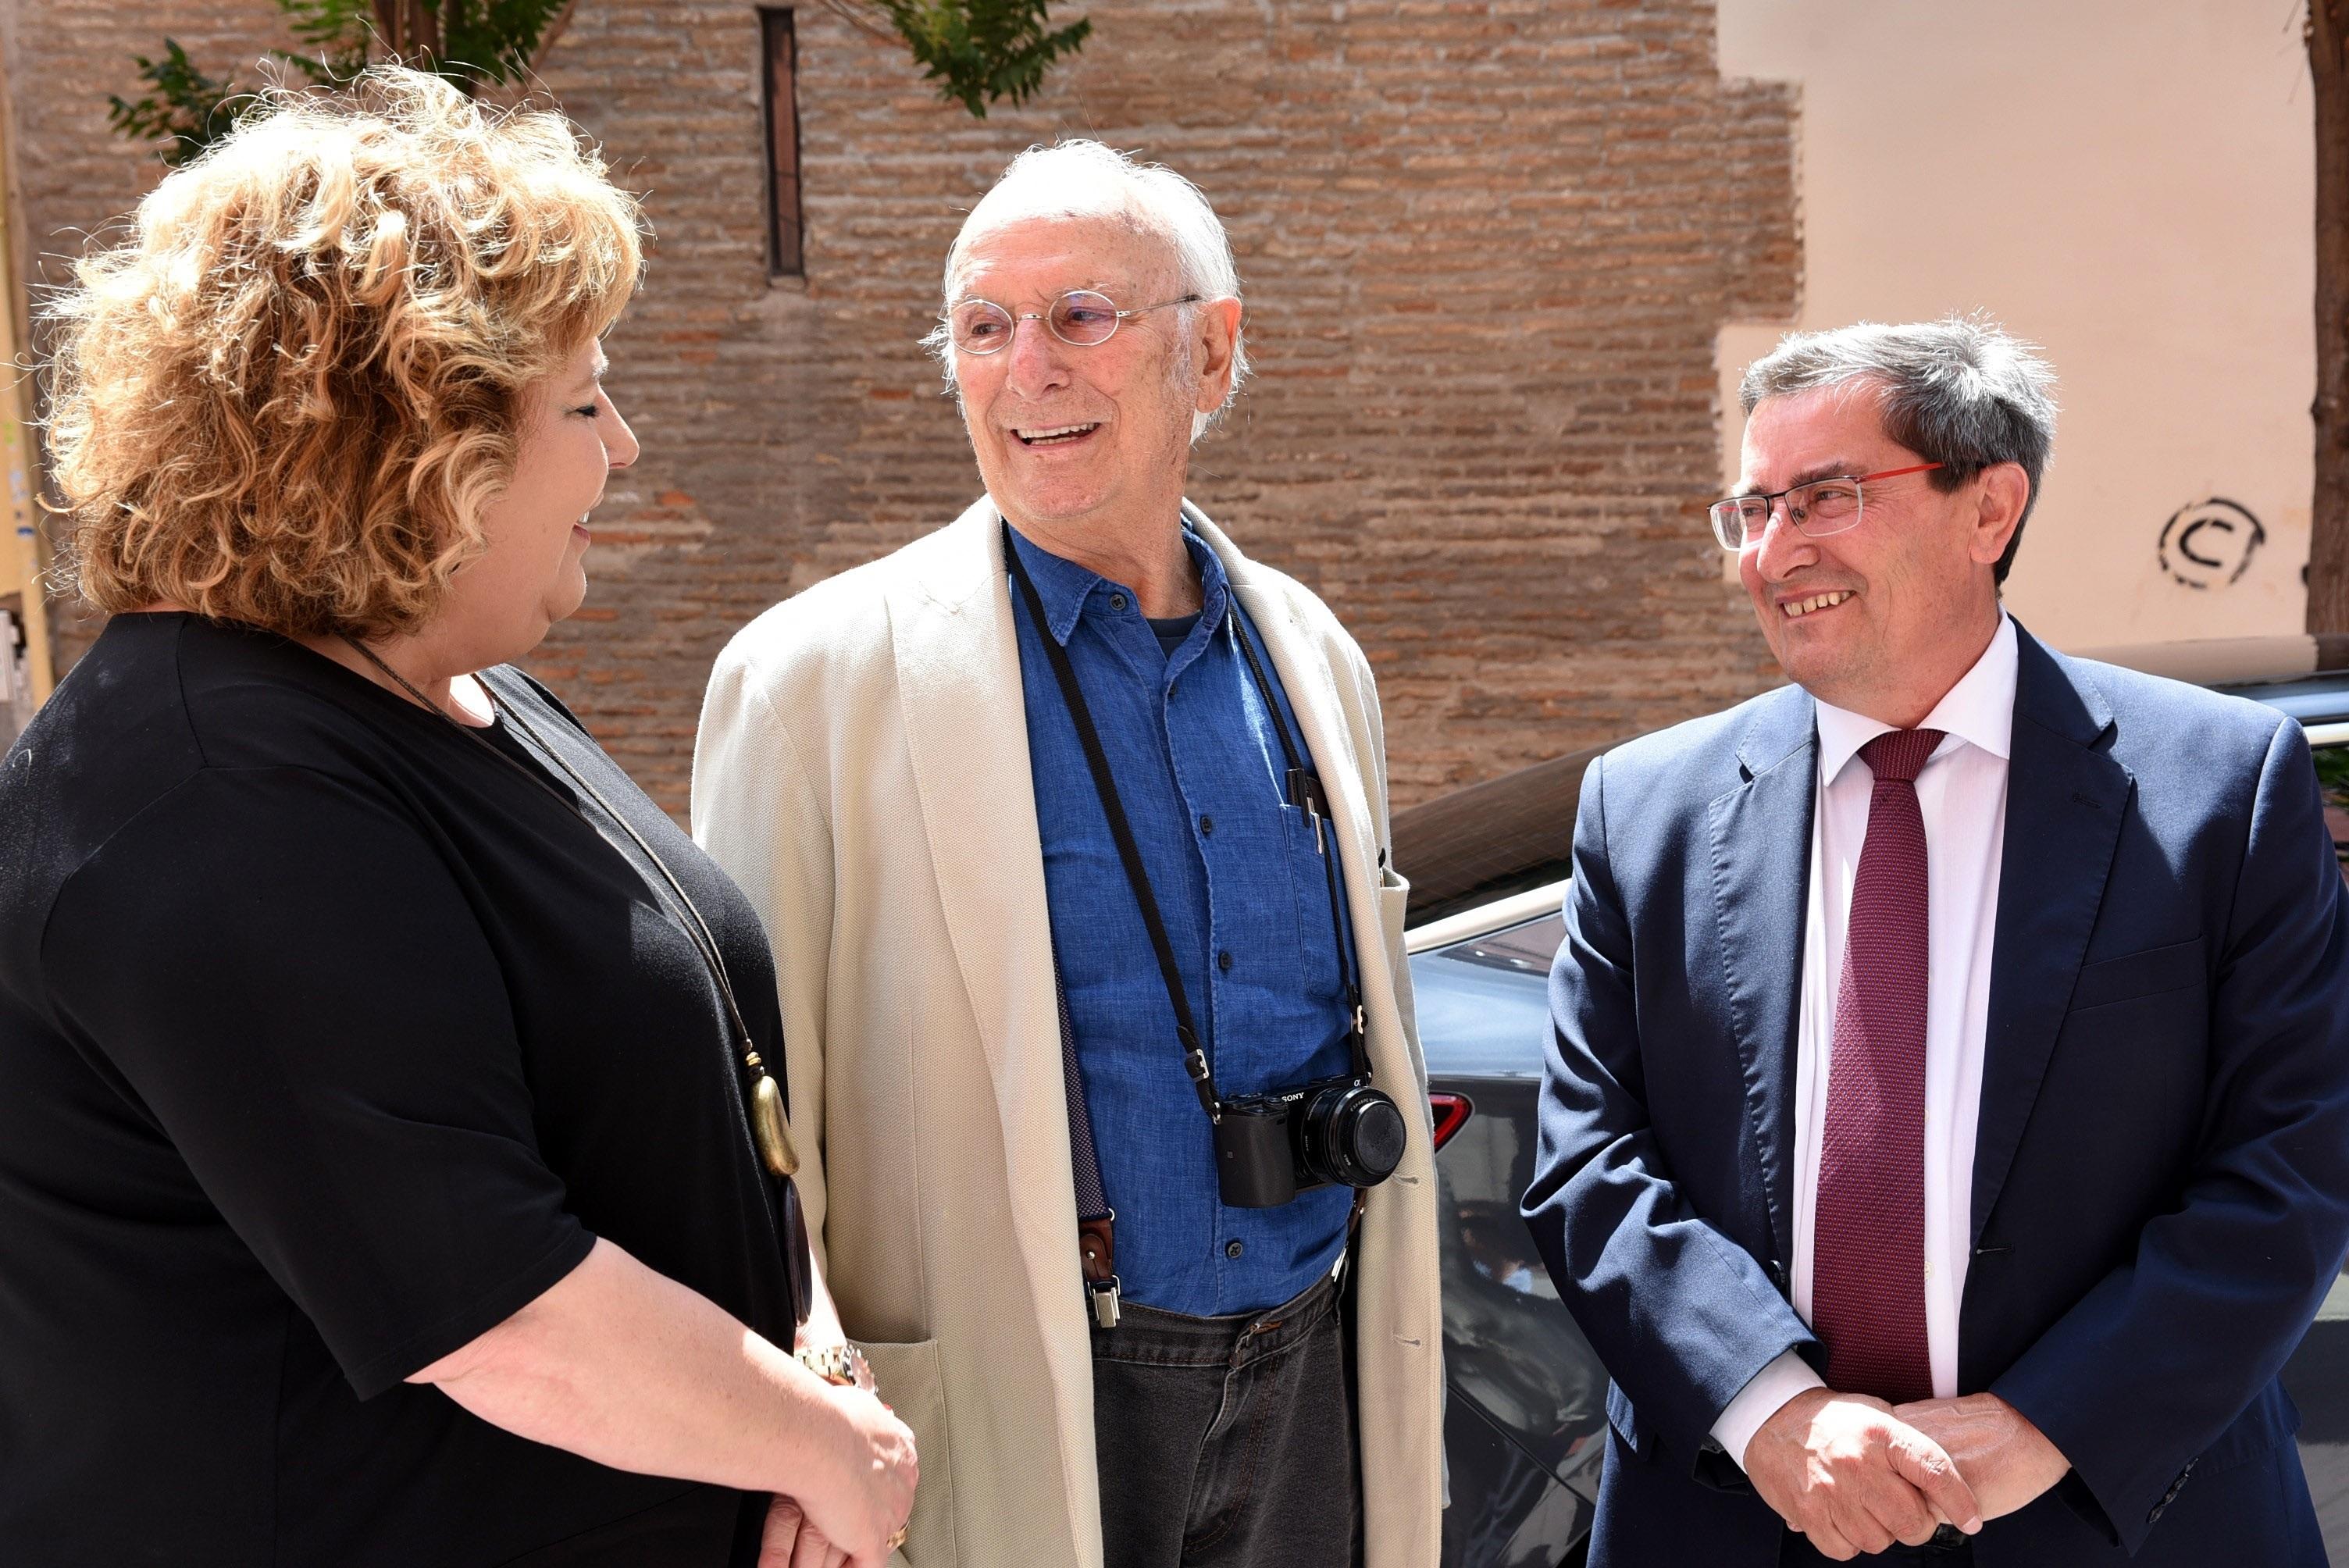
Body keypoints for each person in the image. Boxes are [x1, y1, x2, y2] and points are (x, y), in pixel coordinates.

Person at [0, 69, 914, 1567]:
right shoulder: (212, 804)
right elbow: (491, 1307)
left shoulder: (443, 687)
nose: (622, 446)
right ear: (411, 446)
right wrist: (834, 1447)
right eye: (583, 400)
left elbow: (711, 1113)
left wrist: (806, 1364)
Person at [693, 140, 1443, 1568]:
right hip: (1016, 1393)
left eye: (1080, 317)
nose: (1025, 367)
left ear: (1212, 354)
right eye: (984, 326)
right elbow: (741, 1118)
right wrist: (803, 1405)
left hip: (1312, 1376)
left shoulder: (1313, 658)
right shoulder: (811, 683)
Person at [1520, 317, 2349, 1566]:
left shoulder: (2219, 790)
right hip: (1741, 1513)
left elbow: (2293, 1160)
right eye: (1751, 507)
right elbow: (1589, 1161)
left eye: (1827, 496)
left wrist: (2044, 1424)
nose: (1774, 549)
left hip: (2116, 1514)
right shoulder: (1645, 807)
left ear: (1990, 507)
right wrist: (1776, 1412)